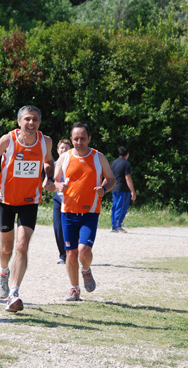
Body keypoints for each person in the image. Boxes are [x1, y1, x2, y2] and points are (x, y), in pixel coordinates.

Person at [0, 105, 55, 312]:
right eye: (27, 119)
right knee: (6, 249)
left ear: (39, 122)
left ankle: (14, 293)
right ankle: (3, 271)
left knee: (22, 246)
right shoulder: (8, 140)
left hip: (29, 201)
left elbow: (49, 162)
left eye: (35, 120)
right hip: (6, 200)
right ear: (19, 122)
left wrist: (49, 177)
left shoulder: (45, 141)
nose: (31, 123)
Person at [54, 122, 116, 302]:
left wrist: (103, 189)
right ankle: (74, 289)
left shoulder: (98, 157)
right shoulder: (65, 157)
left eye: (82, 138)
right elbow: (51, 182)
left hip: (90, 212)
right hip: (68, 212)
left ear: (89, 138)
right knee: (71, 253)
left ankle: (86, 270)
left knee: (84, 250)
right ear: (71, 139)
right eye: (76, 139)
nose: (79, 142)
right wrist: (58, 185)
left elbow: (111, 179)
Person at [52, 139, 72, 264]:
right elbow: (49, 181)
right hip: (58, 199)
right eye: (62, 148)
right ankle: (63, 255)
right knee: (58, 227)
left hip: (72, 200)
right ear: (58, 151)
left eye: (66, 148)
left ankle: (72, 251)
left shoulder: (74, 164)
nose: (64, 150)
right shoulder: (53, 165)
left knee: (70, 228)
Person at [110, 146, 136, 233]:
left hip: (114, 188)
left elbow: (109, 176)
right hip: (123, 189)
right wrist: (132, 191)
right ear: (127, 154)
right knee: (121, 207)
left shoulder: (113, 163)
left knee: (115, 206)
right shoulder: (126, 163)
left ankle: (113, 225)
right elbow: (128, 178)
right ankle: (118, 225)